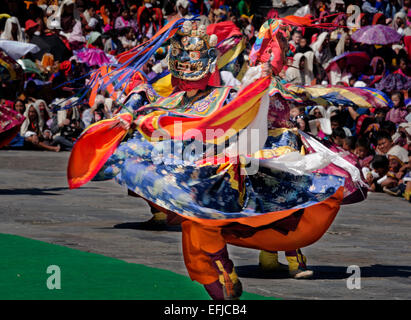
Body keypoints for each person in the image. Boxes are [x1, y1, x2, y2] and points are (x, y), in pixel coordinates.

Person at [67, 19, 357, 299]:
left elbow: (251, 114)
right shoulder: (166, 104)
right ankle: (223, 283)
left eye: (194, 68)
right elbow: (142, 124)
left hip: (229, 179)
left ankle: (271, 265)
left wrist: (263, 80)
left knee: (272, 214)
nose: (189, 76)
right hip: (191, 184)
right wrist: (134, 101)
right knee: (200, 241)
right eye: (183, 69)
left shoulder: (227, 96)